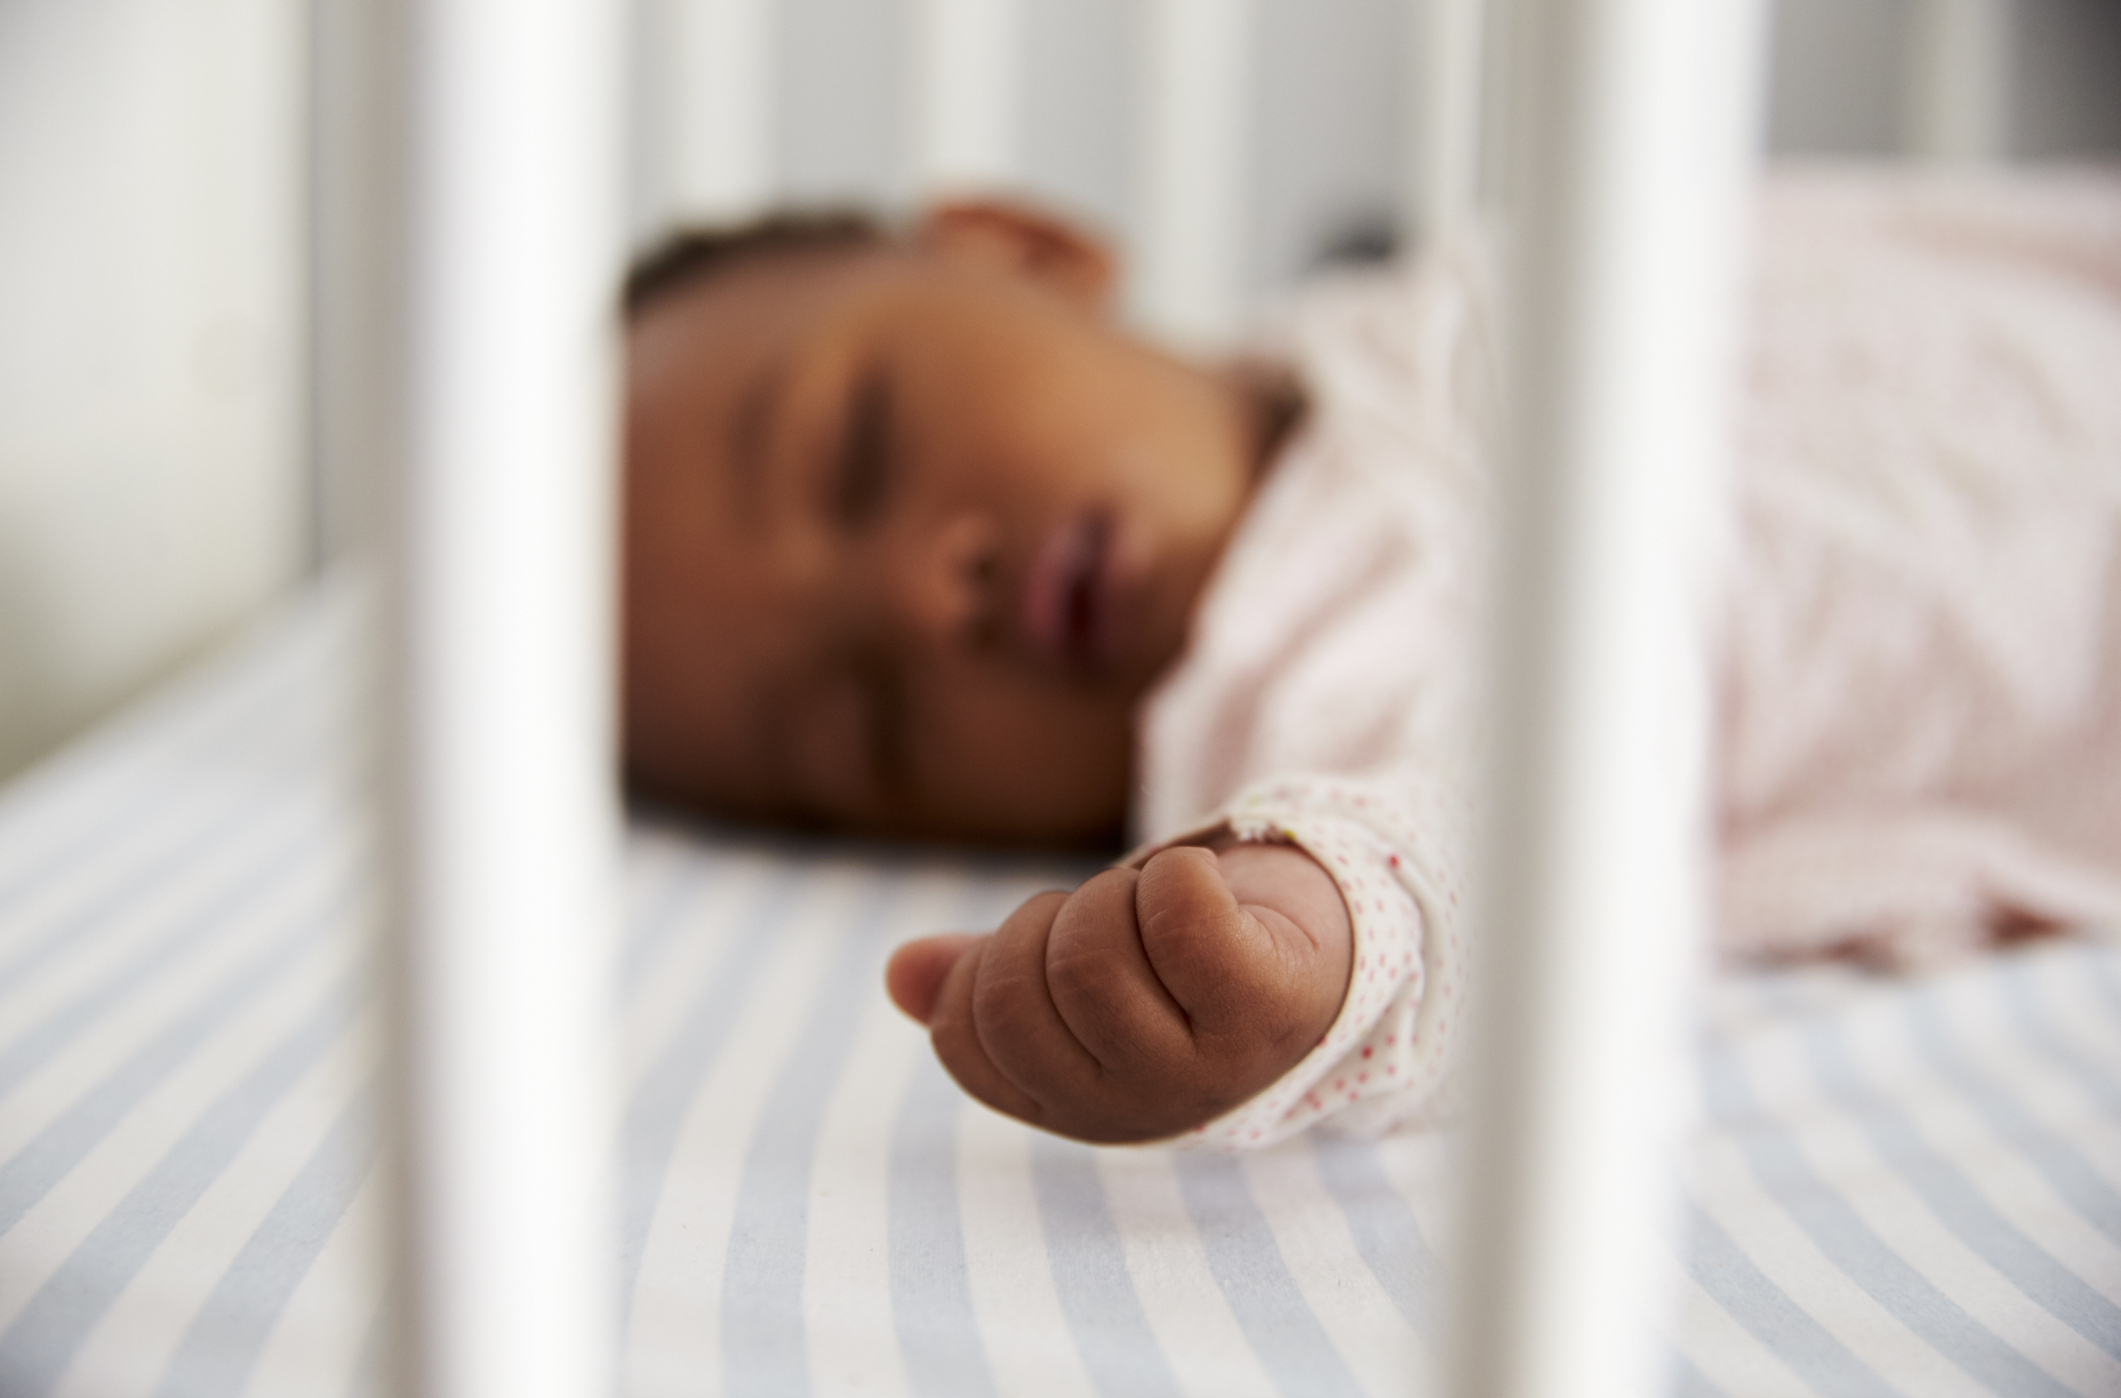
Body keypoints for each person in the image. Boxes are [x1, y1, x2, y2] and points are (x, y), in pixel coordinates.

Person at [620, 169, 2121, 1149]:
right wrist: (1310, 930)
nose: (923, 595)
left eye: (860, 452)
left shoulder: (1481, 266)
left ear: (1023, 247)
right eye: (868, 720)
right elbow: (1499, 857)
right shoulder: (1296, 705)